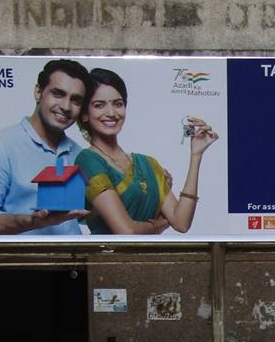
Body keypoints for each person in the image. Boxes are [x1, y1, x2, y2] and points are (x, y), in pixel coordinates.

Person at [74, 67, 219, 236]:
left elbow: (181, 222)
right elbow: (126, 231)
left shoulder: (147, 163)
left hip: (151, 258)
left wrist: (196, 155)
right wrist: (160, 225)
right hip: (107, 259)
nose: (112, 113)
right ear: (84, 114)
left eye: (118, 104)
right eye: (99, 105)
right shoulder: (88, 159)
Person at [0, 58, 93, 236]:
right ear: (38, 92)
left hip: (74, 262)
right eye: (58, 94)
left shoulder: (79, 154)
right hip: (19, 262)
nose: (65, 106)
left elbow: (82, 214)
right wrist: (32, 221)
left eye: (76, 100)